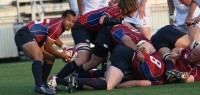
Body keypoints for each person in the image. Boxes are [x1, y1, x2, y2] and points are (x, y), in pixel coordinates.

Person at [56, 0, 138, 81]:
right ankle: (56, 79)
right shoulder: (115, 10)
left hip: (92, 30)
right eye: (135, 9)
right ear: (129, 7)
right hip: (82, 27)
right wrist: (120, 22)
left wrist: (136, 32)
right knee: (83, 58)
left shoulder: (119, 13)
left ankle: (76, 77)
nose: (135, 11)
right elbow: (102, 20)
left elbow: (121, 24)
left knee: (101, 52)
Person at [48, 41, 165, 92]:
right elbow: (136, 83)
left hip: (121, 50)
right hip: (125, 56)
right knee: (108, 85)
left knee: (105, 75)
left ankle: (76, 80)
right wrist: (117, 85)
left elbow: (146, 45)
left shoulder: (160, 60)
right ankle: (59, 80)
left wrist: (140, 51)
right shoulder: (159, 80)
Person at [14, 10, 76, 94]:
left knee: (50, 59)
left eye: (73, 21)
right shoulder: (58, 26)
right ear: (62, 18)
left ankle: (43, 84)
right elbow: (47, 47)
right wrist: (62, 55)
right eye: (69, 20)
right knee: (38, 55)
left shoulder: (58, 23)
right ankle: (39, 86)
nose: (70, 23)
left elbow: (52, 35)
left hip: (35, 38)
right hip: (25, 34)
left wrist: (64, 47)